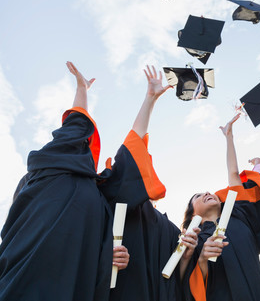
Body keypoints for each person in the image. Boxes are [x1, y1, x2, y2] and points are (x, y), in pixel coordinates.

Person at [0, 62, 149, 301]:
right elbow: (76, 126)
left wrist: (105, 257)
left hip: (74, 285)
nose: (82, 146)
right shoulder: (48, 168)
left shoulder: (100, 194)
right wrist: (81, 89)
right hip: (27, 277)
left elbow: (129, 159)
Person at [103, 66, 199, 301]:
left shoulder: (170, 228)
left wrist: (187, 253)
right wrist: (150, 100)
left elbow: (177, 276)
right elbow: (133, 148)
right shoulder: (121, 204)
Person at [181, 114, 260, 301]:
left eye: (208, 192)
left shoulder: (239, 216)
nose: (207, 193)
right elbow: (190, 285)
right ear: (192, 215)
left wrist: (229, 137)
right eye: (198, 196)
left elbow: (233, 174)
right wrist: (203, 258)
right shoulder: (193, 241)